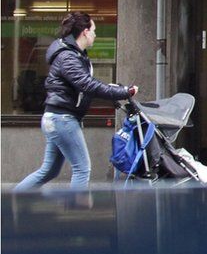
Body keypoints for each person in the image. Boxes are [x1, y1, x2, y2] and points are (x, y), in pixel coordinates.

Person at [15, 12, 138, 190]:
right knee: (82, 169)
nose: (95, 34)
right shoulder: (68, 57)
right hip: (62, 119)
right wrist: (123, 92)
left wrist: (113, 90)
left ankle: (11, 205)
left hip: (57, 118)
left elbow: (83, 87)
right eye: (94, 30)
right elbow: (87, 84)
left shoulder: (75, 54)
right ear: (85, 32)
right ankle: (75, 212)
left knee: (49, 170)